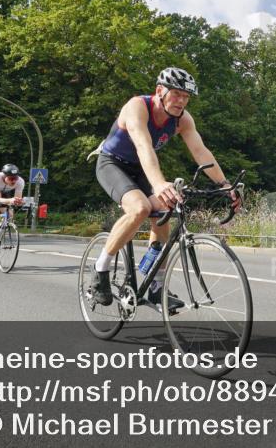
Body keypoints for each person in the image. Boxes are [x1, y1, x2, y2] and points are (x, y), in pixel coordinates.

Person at [90, 67, 241, 309]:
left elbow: (201, 152)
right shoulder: (137, 106)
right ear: (160, 91)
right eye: (176, 94)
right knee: (139, 208)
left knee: (166, 208)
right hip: (112, 164)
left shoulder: (183, 120)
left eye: (186, 96)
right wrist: (159, 183)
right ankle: (101, 268)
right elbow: (143, 146)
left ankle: (156, 286)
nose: (181, 101)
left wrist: (223, 184)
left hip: (141, 169)